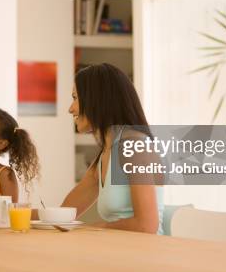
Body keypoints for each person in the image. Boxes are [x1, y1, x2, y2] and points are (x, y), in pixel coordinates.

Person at [61, 63, 163, 234]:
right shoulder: (106, 154)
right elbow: (63, 213)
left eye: (75, 98)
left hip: (145, 254)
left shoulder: (134, 147)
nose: (70, 109)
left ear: (97, 100)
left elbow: (147, 225)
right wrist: (13, 212)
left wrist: (94, 228)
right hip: (116, 249)